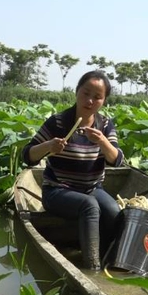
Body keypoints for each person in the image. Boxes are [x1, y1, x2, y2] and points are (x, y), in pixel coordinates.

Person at [22, 70, 125, 270]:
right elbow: (27, 156)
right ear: (77, 92)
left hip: (92, 188)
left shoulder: (104, 125)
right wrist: (49, 146)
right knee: (90, 206)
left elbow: (117, 160)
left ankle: (108, 259)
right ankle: (92, 268)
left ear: (103, 101)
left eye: (97, 97)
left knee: (114, 212)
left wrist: (102, 141)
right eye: (86, 93)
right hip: (57, 191)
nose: (90, 101)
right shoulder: (58, 122)